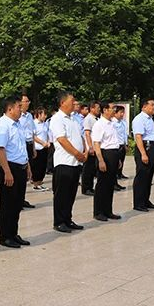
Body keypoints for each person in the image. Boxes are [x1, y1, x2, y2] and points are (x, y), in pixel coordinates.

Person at [0, 95, 30, 248]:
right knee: (7, 205)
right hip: (10, 168)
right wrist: (7, 172)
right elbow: (0, 149)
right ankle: (5, 236)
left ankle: (13, 233)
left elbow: (21, 147)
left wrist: (27, 166)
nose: (21, 110)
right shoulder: (3, 125)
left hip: (21, 167)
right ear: (10, 109)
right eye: (18, 107)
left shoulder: (18, 124)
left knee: (17, 204)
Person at [51, 91, 87, 233]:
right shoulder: (57, 119)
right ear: (62, 103)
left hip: (75, 162)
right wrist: (77, 154)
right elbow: (62, 139)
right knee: (62, 194)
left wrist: (84, 151)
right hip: (64, 162)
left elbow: (80, 137)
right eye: (72, 101)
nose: (74, 103)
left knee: (71, 193)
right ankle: (59, 222)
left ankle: (67, 219)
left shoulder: (73, 119)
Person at [91, 102, 122, 221]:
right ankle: (98, 212)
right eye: (112, 108)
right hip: (105, 154)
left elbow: (114, 141)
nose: (114, 110)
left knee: (110, 184)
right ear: (105, 110)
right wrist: (101, 160)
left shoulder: (112, 123)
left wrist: (118, 159)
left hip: (114, 154)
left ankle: (108, 210)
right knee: (102, 185)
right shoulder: (99, 124)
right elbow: (96, 143)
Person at [132, 98, 154, 212]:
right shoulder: (139, 119)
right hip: (145, 147)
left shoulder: (150, 119)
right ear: (144, 106)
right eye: (152, 105)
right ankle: (138, 203)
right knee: (142, 176)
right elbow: (138, 137)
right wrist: (143, 154)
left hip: (153, 147)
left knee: (149, 176)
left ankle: (145, 200)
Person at [18, 92, 36, 208]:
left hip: (29, 144)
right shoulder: (17, 116)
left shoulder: (29, 116)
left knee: (27, 173)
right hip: (21, 145)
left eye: (28, 101)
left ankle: (22, 198)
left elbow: (32, 132)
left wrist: (33, 148)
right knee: (21, 172)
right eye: (26, 101)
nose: (28, 103)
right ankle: (17, 199)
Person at [80, 101, 101, 196]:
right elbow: (87, 134)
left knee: (92, 169)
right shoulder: (88, 119)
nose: (99, 110)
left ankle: (90, 187)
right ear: (92, 108)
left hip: (96, 147)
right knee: (88, 169)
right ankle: (86, 188)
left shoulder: (96, 119)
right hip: (90, 148)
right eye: (97, 108)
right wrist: (90, 147)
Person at [31, 107, 50, 192]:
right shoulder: (34, 123)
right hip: (38, 147)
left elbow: (48, 134)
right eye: (44, 114)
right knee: (37, 167)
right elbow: (33, 136)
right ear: (39, 114)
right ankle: (36, 184)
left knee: (43, 166)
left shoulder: (45, 124)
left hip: (45, 148)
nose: (45, 116)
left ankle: (40, 182)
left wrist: (48, 142)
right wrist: (42, 143)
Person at [113, 105, 129, 181]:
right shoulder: (112, 122)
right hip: (116, 145)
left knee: (122, 160)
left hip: (122, 144)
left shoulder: (123, 122)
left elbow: (125, 134)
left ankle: (120, 173)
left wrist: (126, 144)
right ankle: (115, 175)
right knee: (116, 161)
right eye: (121, 112)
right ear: (115, 113)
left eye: (123, 112)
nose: (122, 114)